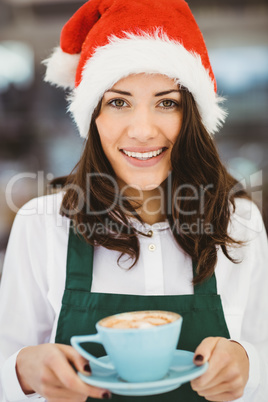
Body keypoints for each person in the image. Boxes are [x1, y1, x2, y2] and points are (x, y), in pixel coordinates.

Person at [0, 0, 267, 401]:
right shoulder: (41, 223)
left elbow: (262, 354)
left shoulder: (239, 221)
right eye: (118, 102)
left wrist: (251, 366)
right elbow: (8, 364)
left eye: (167, 102)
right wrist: (23, 370)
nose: (142, 130)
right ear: (94, 116)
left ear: (192, 115)